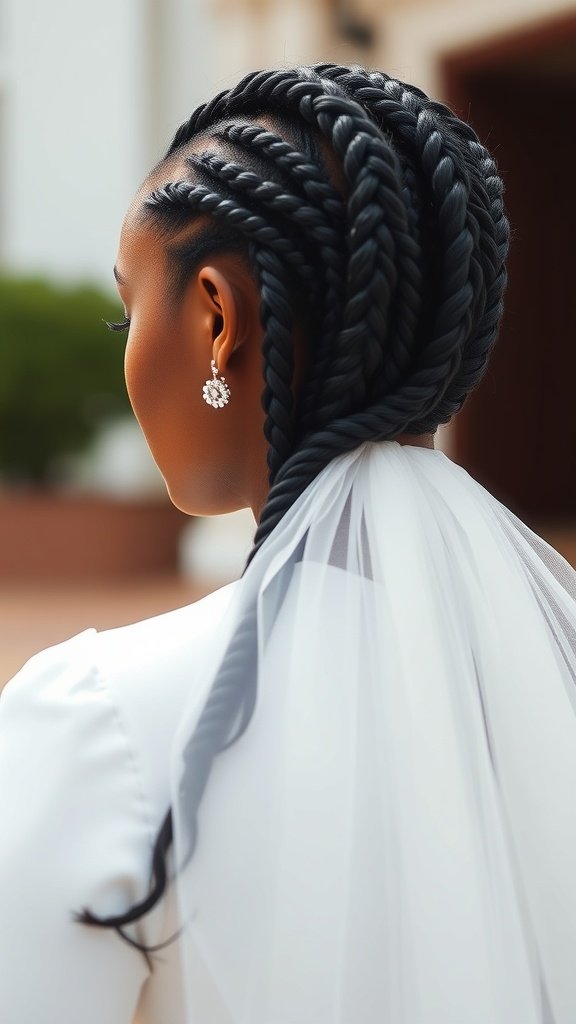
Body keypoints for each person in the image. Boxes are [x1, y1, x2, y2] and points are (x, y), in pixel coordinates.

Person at [1, 61, 576, 1024]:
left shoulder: (105, 721)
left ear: (218, 319)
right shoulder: (549, 681)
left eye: (125, 310)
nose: (125, 349)